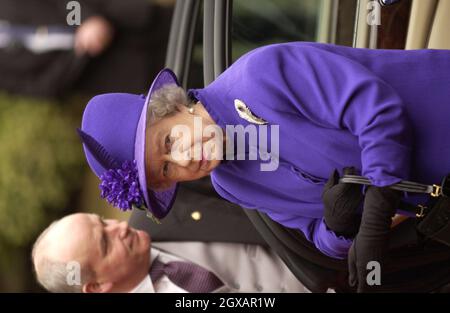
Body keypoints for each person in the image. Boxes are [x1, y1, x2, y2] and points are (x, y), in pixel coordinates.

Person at [78, 41, 450, 291]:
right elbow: (314, 232)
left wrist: (376, 210)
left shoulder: (258, 75)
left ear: (174, 108)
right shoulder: (230, 183)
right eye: (165, 170)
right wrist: (340, 228)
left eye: (168, 141)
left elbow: (379, 113)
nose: (184, 159)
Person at [31, 213, 309, 293]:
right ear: (97, 286)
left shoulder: (159, 208)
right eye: (105, 242)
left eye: (103, 221)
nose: (118, 227)